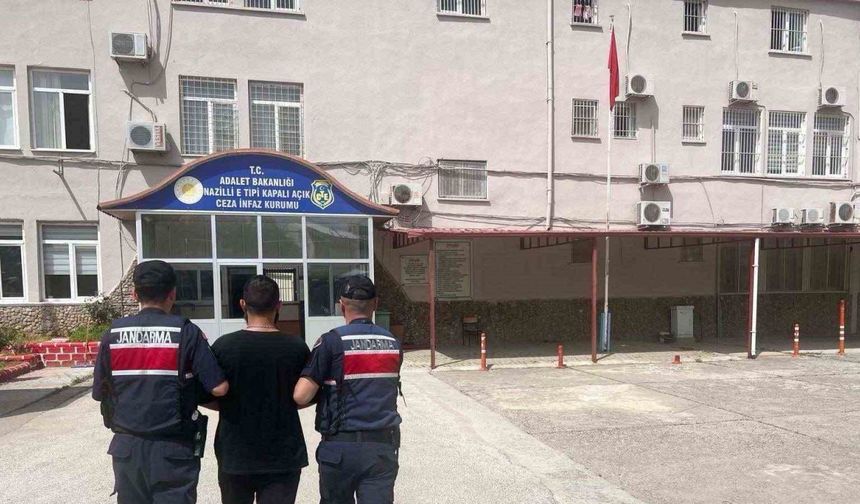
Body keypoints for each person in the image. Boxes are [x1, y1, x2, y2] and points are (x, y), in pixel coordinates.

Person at [92, 260, 229, 504]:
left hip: (127, 449)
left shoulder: (112, 334)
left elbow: (99, 392)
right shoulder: (186, 331)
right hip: (173, 451)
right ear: (172, 293)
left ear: (134, 294)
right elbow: (219, 387)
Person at [294, 275, 403, 504]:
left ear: (341, 305)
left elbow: (302, 395)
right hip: (382, 448)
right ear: (375, 304)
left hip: (340, 449)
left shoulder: (331, 342)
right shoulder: (393, 343)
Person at [206, 275, 311, 504]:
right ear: (279, 305)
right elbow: (307, 396)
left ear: (242, 304)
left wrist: (228, 405)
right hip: (283, 454)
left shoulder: (223, 347)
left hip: (235, 453)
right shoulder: (297, 347)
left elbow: (206, 393)